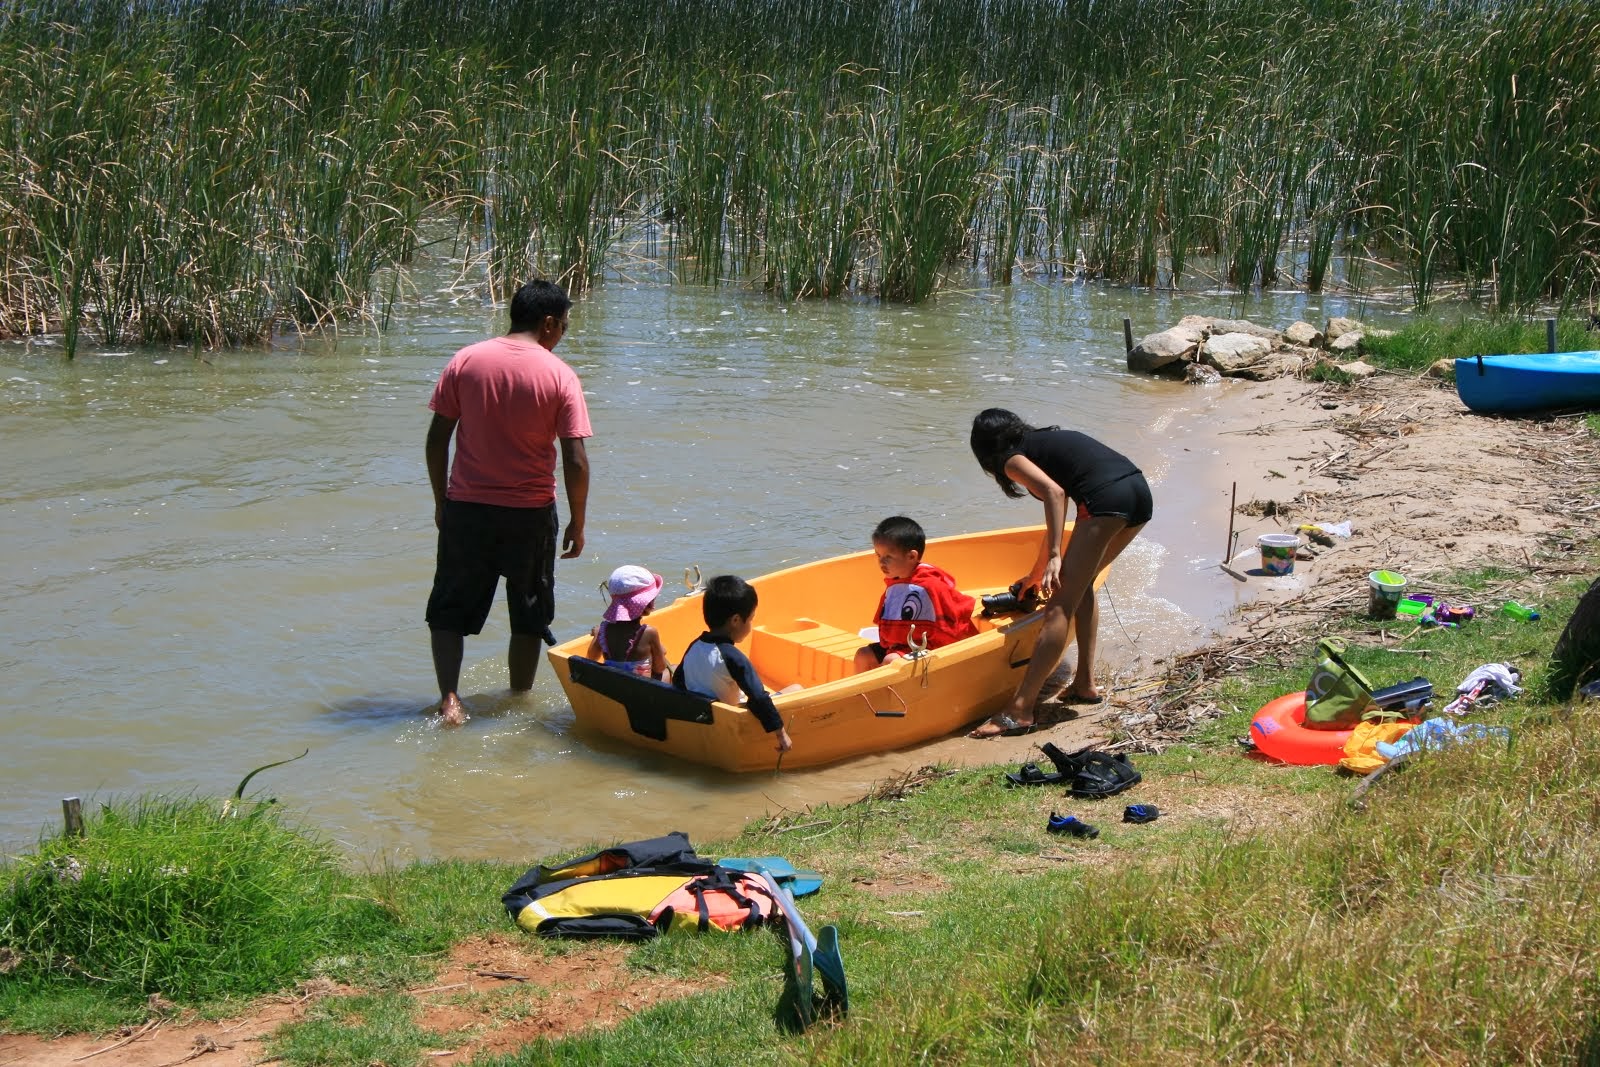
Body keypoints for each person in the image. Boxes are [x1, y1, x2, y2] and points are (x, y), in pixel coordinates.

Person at [424, 279, 591, 726]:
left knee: (448, 609)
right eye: (565, 325)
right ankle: (519, 700)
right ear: (550, 323)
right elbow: (575, 458)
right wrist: (577, 522)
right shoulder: (558, 374)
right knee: (529, 612)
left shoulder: (466, 361)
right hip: (531, 515)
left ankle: (450, 700)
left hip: (467, 510)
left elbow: (437, 439)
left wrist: (442, 501)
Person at [965, 408, 1152, 738]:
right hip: (1138, 493)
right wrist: (1037, 572)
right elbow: (1059, 503)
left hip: (1106, 498)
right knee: (1082, 585)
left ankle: (1020, 710)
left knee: (1059, 604)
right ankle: (1084, 684)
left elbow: (1055, 493)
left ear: (985, 449)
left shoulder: (1010, 457)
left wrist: (1055, 555)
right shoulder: (1041, 442)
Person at [673, 575, 794, 754]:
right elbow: (759, 697)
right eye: (751, 619)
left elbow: (678, 681)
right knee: (796, 688)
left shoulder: (694, 646)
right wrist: (780, 732)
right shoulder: (733, 657)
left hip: (703, 715)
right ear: (736, 620)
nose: (751, 625)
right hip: (729, 718)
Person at [853, 516, 979, 673]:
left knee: (891, 661)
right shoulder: (894, 583)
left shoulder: (930, 586)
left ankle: (889, 696)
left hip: (931, 647)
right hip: (899, 645)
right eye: (878, 556)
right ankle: (861, 695)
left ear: (912, 556)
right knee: (863, 655)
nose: (881, 562)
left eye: (888, 557)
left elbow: (953, 626)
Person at [586, 565, 670, 680]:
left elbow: (591, 658)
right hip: (643, 690)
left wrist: (597, 635)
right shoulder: (649, 633)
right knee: (673, 669)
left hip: (615, 686)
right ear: (645, 604)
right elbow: (659, 668)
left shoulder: (603, 630)